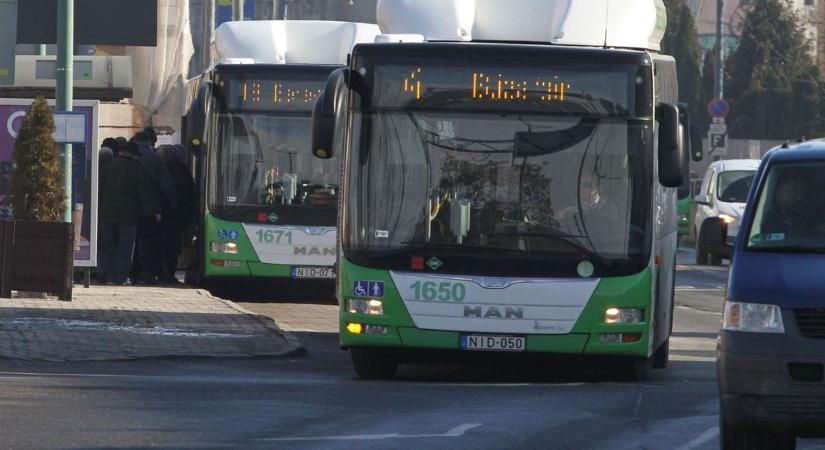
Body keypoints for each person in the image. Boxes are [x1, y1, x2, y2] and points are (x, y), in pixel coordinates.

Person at [98, 141, 161, 285]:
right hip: (128, 216)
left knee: (106, 244)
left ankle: (103, 273)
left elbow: (98, 189)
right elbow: (145, 193)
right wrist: (155, 211)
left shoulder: (106, 167)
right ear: (132, 154)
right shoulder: (136, 169)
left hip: (106, 213)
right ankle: (119, 277)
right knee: (125, 247)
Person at [130, 131, 177, 284]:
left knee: (129, 241)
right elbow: (166, 186)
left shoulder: (125, 156)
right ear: (149, 142)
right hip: (150, 209)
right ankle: (146, 272)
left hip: (129, 208)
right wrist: (169, 206)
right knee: (149, 242)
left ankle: (130, 271)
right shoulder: (155, 159)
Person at [158, 145, 196, 284]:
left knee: (161, 246)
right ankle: (168, 274)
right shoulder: (182, 173)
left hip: (160, 217)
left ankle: (161, 274)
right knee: (172, 248)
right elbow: (189, 196)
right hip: (175, 218)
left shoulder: (158, 172)